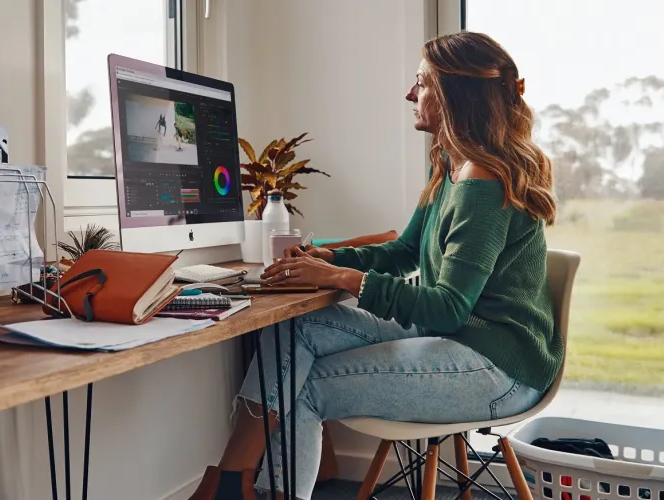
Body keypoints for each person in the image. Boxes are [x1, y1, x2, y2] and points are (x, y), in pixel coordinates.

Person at [189, 31, 563, 500]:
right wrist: (330, 257)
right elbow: (406, 251)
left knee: (304, 390)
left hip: (498, 367)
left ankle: (240, 490)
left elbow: (447, 307)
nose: (410, 94)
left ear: (452, 95)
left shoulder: (484, 183)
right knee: (292, 328)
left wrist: (343, 278)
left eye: (421, 83)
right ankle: (230, 481)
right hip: (455, 337)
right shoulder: (450, 165)